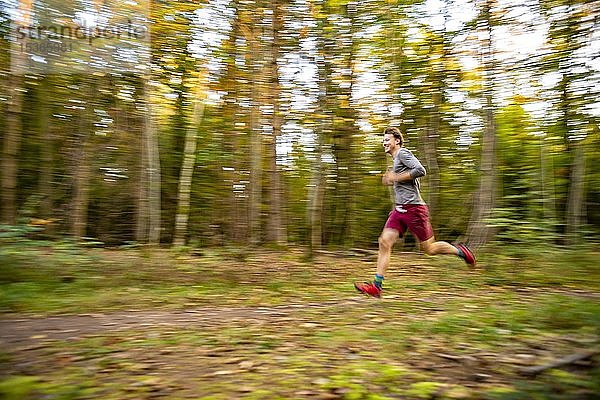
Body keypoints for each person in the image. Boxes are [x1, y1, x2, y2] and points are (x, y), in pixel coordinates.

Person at [355, 126, 476, 298]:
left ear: (397, 141)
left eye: (387, 139)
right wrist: (392, 179)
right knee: (384, 242)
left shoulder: (403, 153)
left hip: (415, 209)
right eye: (383, 140)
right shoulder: (396, 159)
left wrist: (395, 178)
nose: (384, 143)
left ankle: (461, 252)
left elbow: (421, 170)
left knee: (429, 249)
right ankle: (376, 286)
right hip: (399, 209)